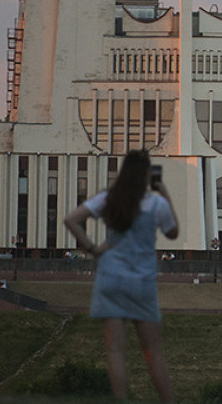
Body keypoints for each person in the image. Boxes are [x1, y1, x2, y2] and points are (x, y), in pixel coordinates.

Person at [63, 149, 178, 403]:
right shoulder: (156, 204)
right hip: (141, 283)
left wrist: (93, 249)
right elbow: (172, 232)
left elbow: (71, 220)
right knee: (153, 352)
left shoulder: (109, 198)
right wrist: (164, 191)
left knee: (115, 351)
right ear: (147, 175)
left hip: (111, 279)